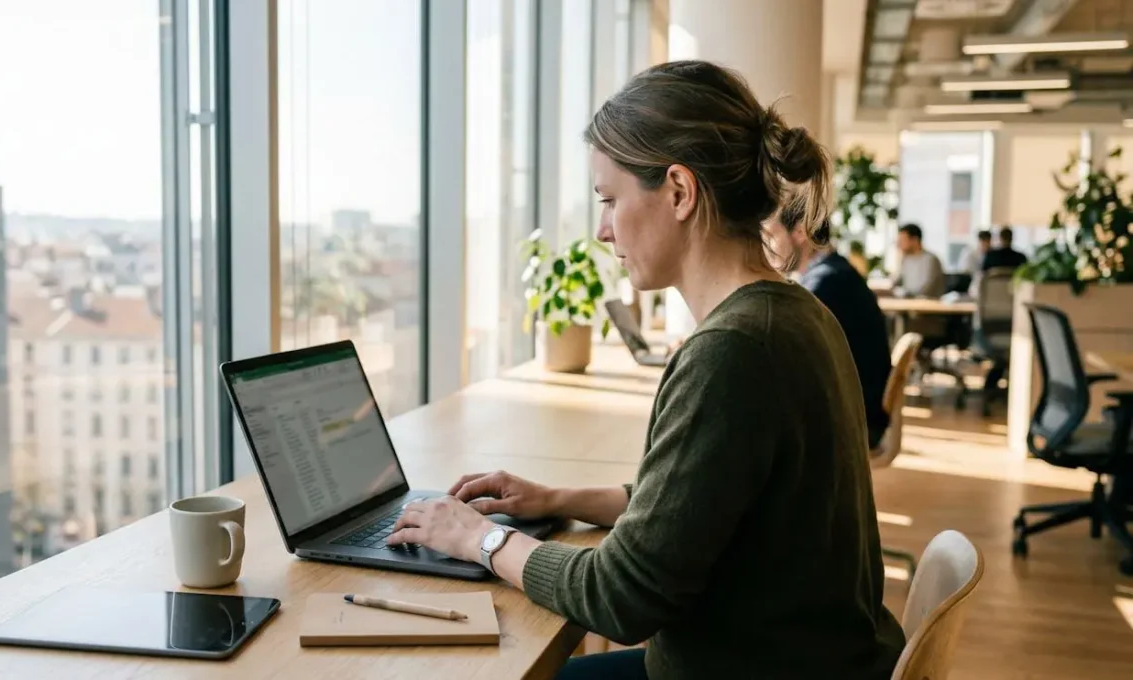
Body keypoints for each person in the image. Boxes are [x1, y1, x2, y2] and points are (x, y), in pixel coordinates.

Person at [387, 60, 905, 680]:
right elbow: (692, 508)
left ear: (680, 192)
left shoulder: (734, 350)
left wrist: (479, 538)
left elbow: (621, 597)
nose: (603, 230)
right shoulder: (795, 313)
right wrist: (556, 499)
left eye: (610, 200)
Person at [765, 196, 892, 450]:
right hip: (858, 413)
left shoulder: (824, 285)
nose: (767, 247)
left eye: (771, 236)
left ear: (800, 233)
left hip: (853, 425)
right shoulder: (835, 273)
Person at [892, 223, 945, 298]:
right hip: (908, 302)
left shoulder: (930, 259)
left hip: (927, 303)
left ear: (915, 240)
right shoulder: (906, 259)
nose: (898, 245)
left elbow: (925, 290)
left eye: (902, 241)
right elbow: (897, 282)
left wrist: (903, 293)